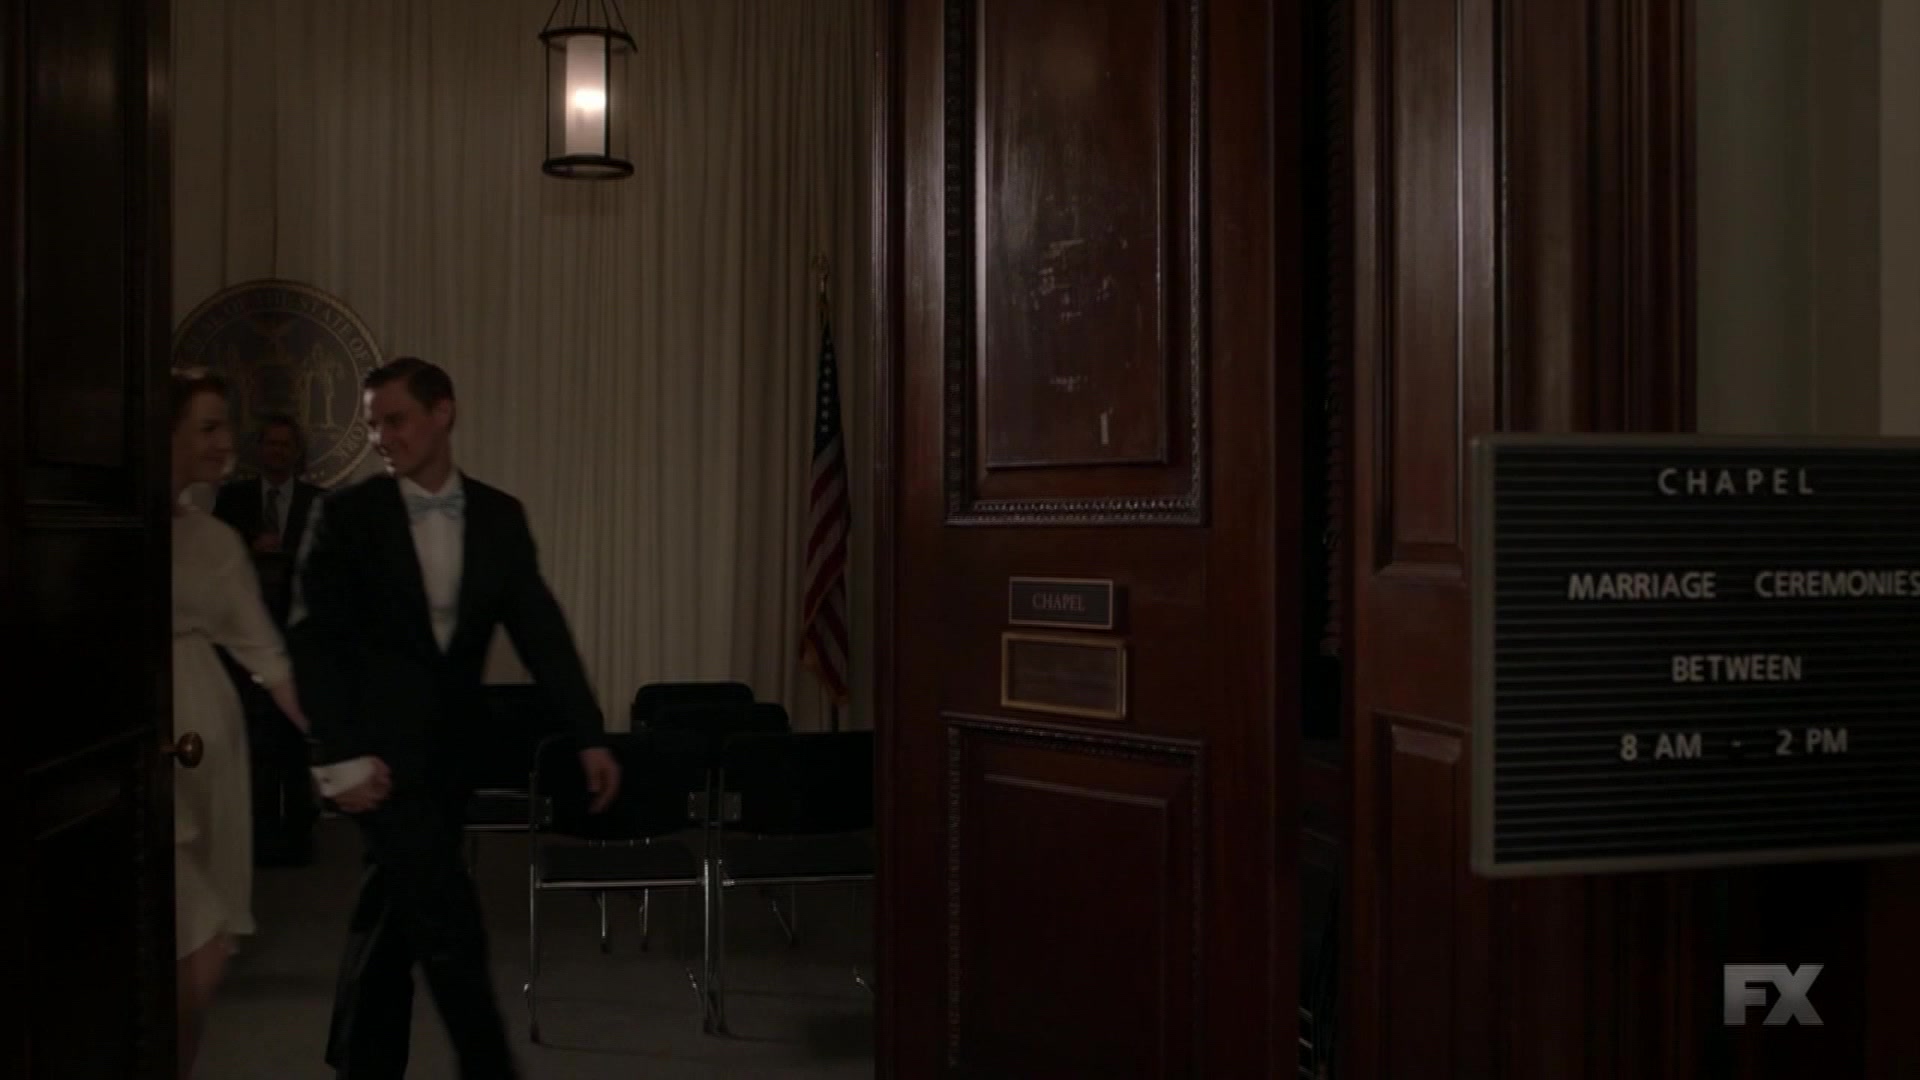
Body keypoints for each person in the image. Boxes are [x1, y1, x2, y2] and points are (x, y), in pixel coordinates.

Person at [289, 356, 620, 1079]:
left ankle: (361, 1064)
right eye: (373, 425)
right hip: (373, 760)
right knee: (447, 918)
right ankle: (488, 1064)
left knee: (392, 912)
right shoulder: (345, 516)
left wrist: (589, 734)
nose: (382, 437)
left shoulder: (499, 516)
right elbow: (314, 647)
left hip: (448, 757)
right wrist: (336, 756)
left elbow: (542, 634)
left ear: (443, 413)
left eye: (396, 420)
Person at [169, 369, 309, 1076]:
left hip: (214, 754)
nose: (226, 441)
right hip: (148, 753)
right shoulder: (109, 530)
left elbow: (267, 654)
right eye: (208, 427)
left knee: (207, 951)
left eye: (226, 425)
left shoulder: (217, 541)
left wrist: (334, 746)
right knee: (191, 944)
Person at [213, 413, 323, 623]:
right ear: (260, 448)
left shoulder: (319, 501)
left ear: (297, 451)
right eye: (272, 443)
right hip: (240, 613)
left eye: (285, 445)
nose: (277, 451)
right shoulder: (231, 498)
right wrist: (250, 549)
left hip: (299, 616)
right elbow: (214, 555)